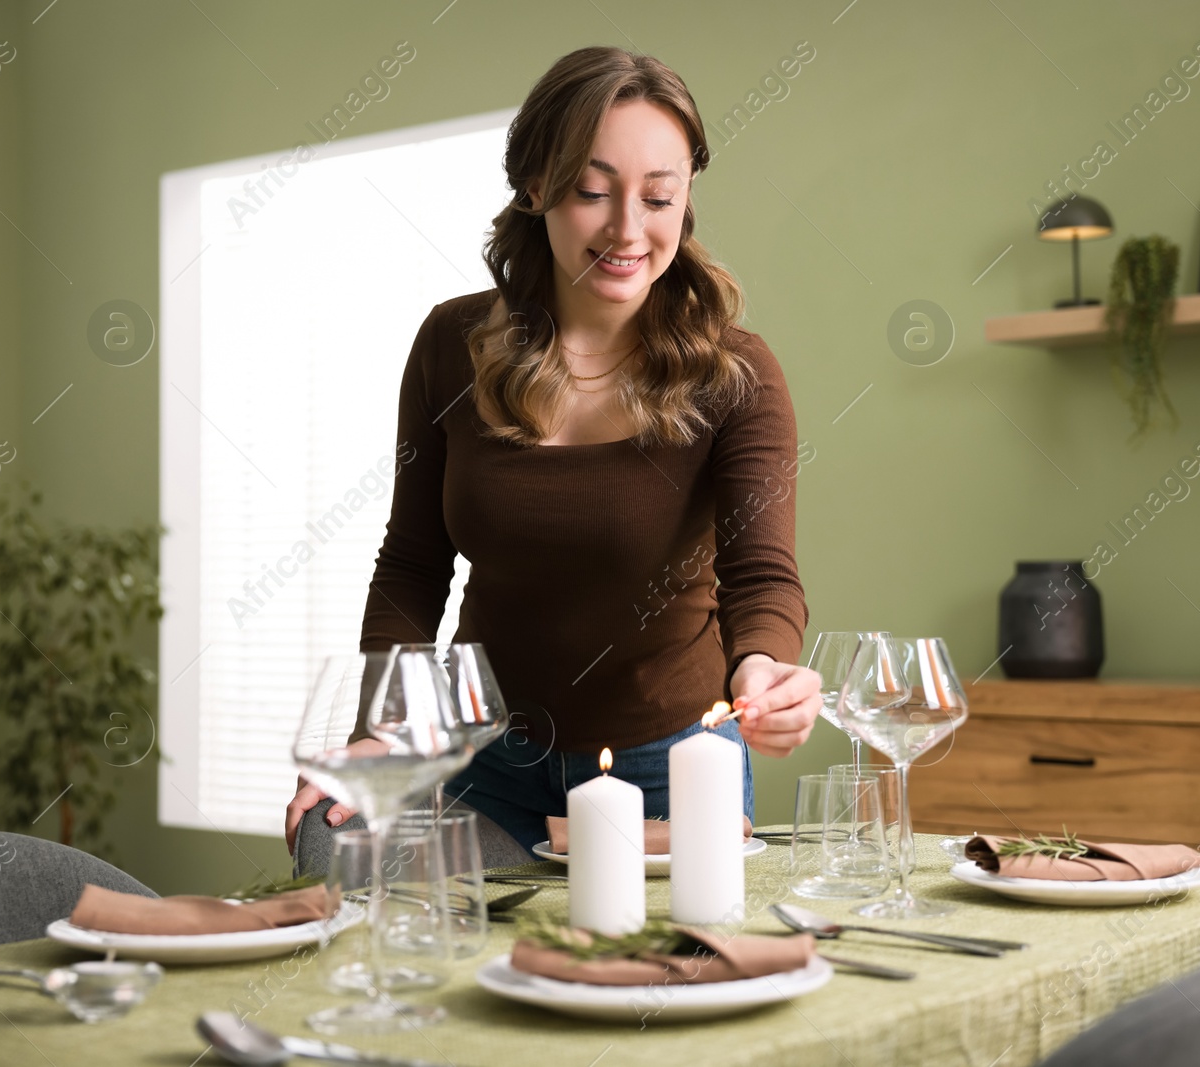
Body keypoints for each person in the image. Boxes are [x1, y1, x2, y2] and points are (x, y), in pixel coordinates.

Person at [285, 45, 819, 855]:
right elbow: (413, 563)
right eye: (593, 191)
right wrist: (379, 730)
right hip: (481, 755)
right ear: (536, 187)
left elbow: (761, 576)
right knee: (461, 968)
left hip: (667, 763)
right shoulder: (449, 345)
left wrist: (764, 669)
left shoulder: (735, 373)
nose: (628, 230)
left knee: (654, 978)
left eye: (660, 196)